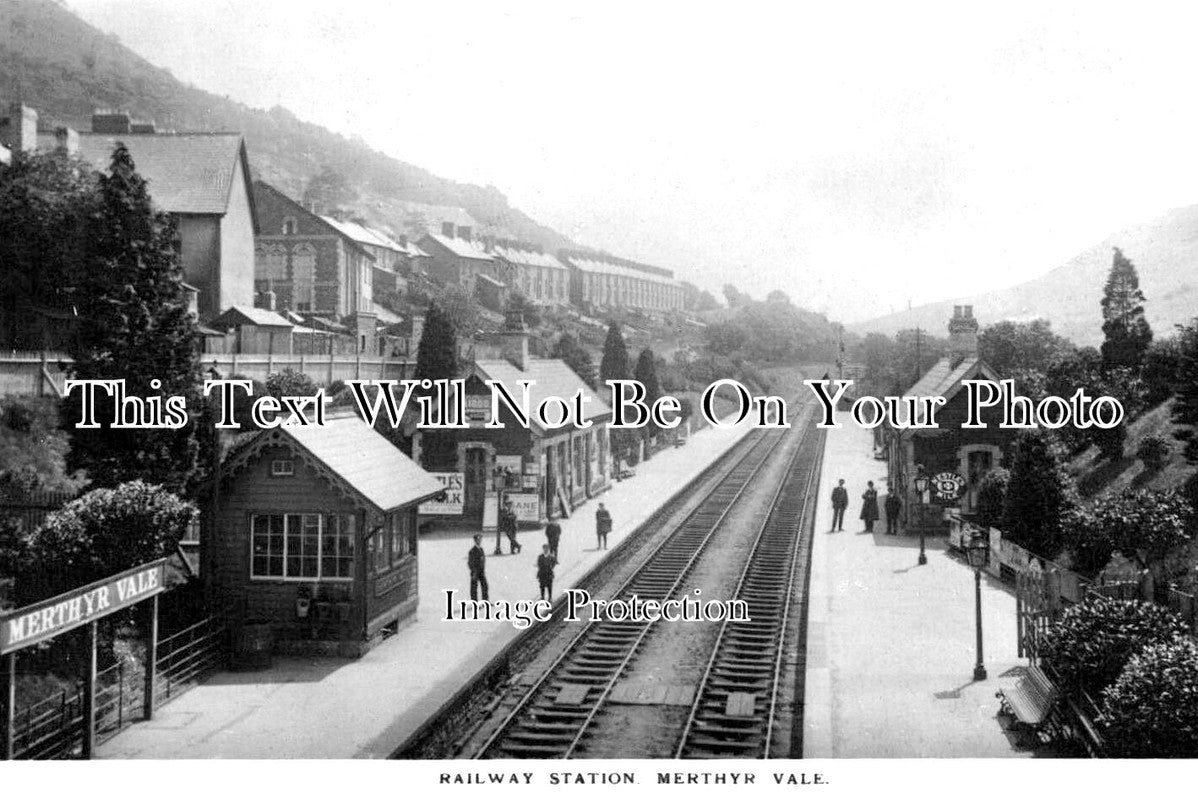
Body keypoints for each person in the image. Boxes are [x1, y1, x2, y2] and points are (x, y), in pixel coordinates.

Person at [467, 535, 489, 601]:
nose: (479, 541)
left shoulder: (481, 549)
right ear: (475, 541)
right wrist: (473, 571)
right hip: (475, 572)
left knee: (485, 586)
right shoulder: (472, 551)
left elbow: (483, 559)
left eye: (480, 540)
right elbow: (470, 562)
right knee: (474, 588)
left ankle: (485, 601)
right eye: (478, 540)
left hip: (481, 571)